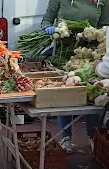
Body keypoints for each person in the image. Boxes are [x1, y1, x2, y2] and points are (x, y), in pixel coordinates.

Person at [41, 0, 105, 153]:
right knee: (65, 94)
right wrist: (48, 28)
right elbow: (46, 20)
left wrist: (96, 36)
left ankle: (92, 135)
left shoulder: (103, 1)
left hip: (89, 54)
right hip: (64, 52)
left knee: (90, 93)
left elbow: (106, 27)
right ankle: (66, 137)